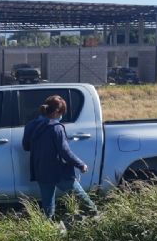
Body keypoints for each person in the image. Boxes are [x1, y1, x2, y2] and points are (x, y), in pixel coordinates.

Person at [22, 95, 99, 225]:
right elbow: (65, 152)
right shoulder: (56, 127)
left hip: (40, 170)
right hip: (58, 171)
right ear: (57, 111)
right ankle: (96, 217)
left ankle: (50, 228)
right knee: (80, 196)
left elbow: (26, 146)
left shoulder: (30, 125)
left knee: (48, 203)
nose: (62, 116)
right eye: (62, 113)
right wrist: (81, 164)